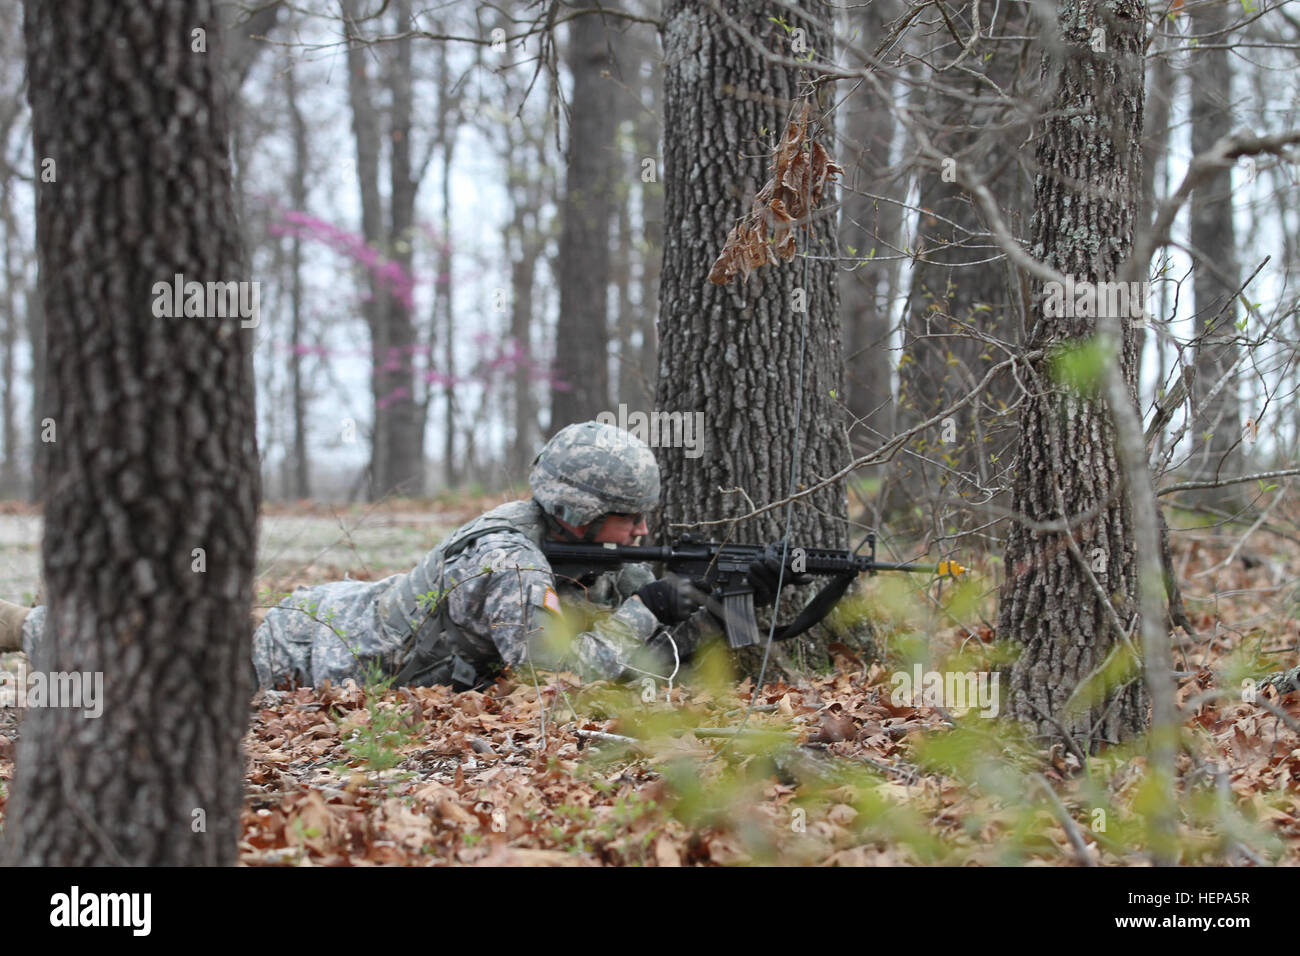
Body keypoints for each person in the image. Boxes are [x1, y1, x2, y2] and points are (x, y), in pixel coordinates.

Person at [0, 421, 728, 692]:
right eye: (626, 519)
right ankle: (20, 626)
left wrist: (700, 603)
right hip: (314, 650)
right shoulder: (508, 564)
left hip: (346, 613)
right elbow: (552, 677)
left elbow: (626, 594)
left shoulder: (570, 542)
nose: (638, 535)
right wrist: (643, 613)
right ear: (579, 512)